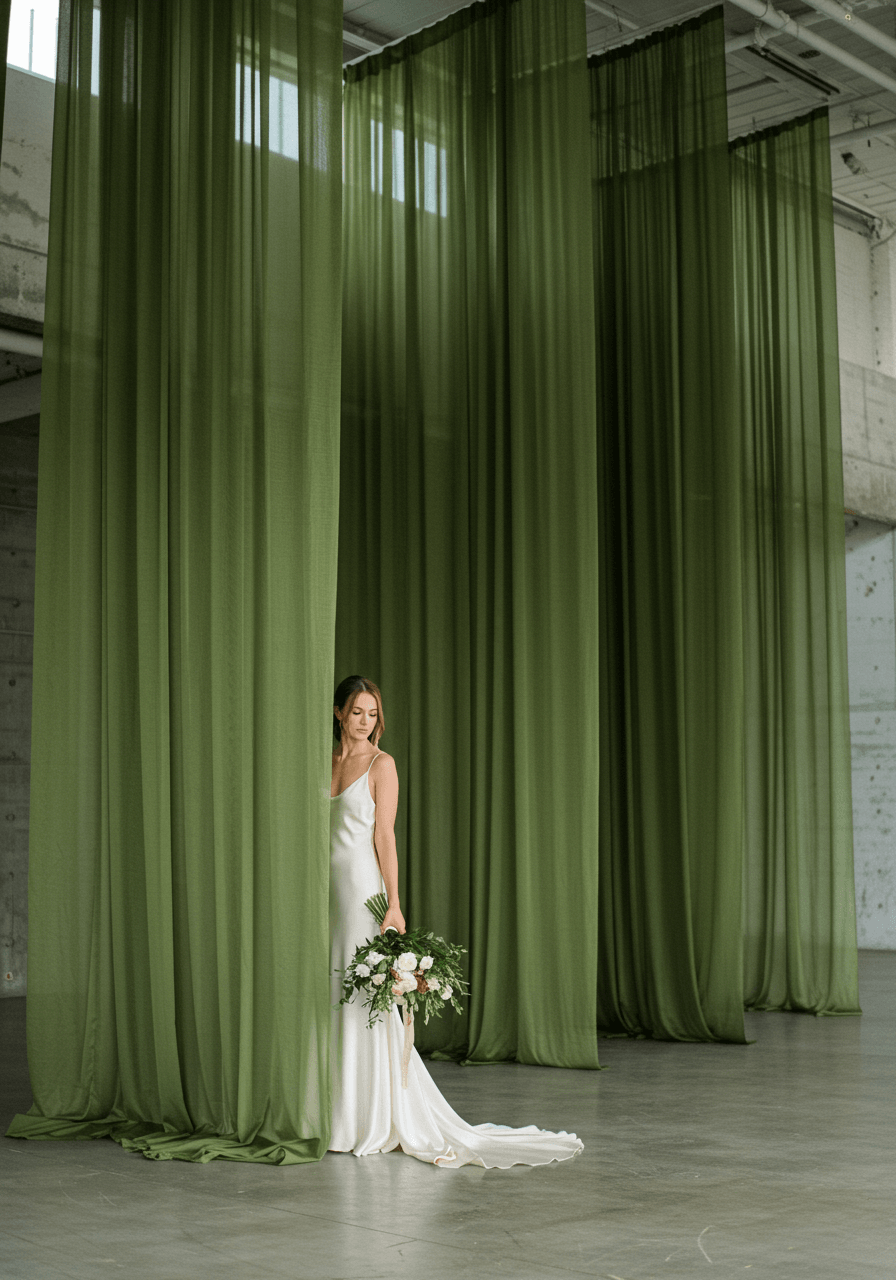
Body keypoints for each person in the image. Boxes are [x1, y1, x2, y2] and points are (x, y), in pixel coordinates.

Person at [328, 674, 584, 1168]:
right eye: (356, 712)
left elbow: (385, 837)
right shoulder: (325, 760)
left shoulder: (382, 765)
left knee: (360, 994)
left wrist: (394, 903)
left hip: (360, 891)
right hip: (323, 893)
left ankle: (365, 1116)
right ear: (339, 712)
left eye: (372, 714)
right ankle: (331, 1107)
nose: (365, 722)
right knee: (329, 989)